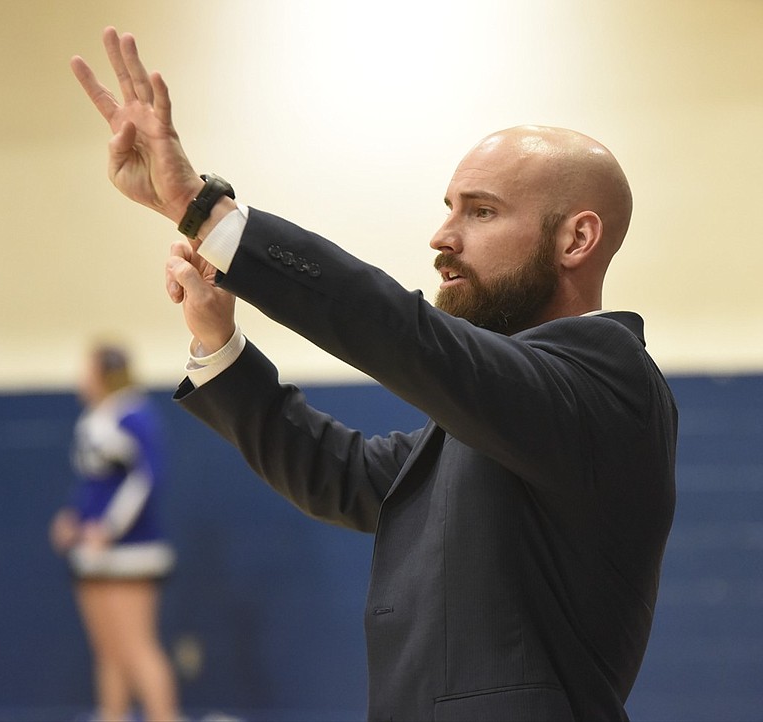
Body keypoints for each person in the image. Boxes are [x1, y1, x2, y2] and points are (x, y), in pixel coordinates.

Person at [71, 27, 677, 721]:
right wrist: (218, 342)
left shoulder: (608, 383)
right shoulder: (504, 414)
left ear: (577, 239)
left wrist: (206, 212)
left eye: (480, 211)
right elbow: (344, 476)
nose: (442, 237)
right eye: (448, 208)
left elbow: (403, 333)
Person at [49, 342, 179, 722]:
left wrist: (108, 528)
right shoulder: (93, 418)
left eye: (86, 369)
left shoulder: (135, 414)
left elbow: (146, 479)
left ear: (103, 373)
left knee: (137, 647)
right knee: (107, 650)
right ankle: (112, 715)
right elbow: (94, 484)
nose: (80, 377)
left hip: (131, 550)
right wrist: (74, 519)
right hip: (93, 551)